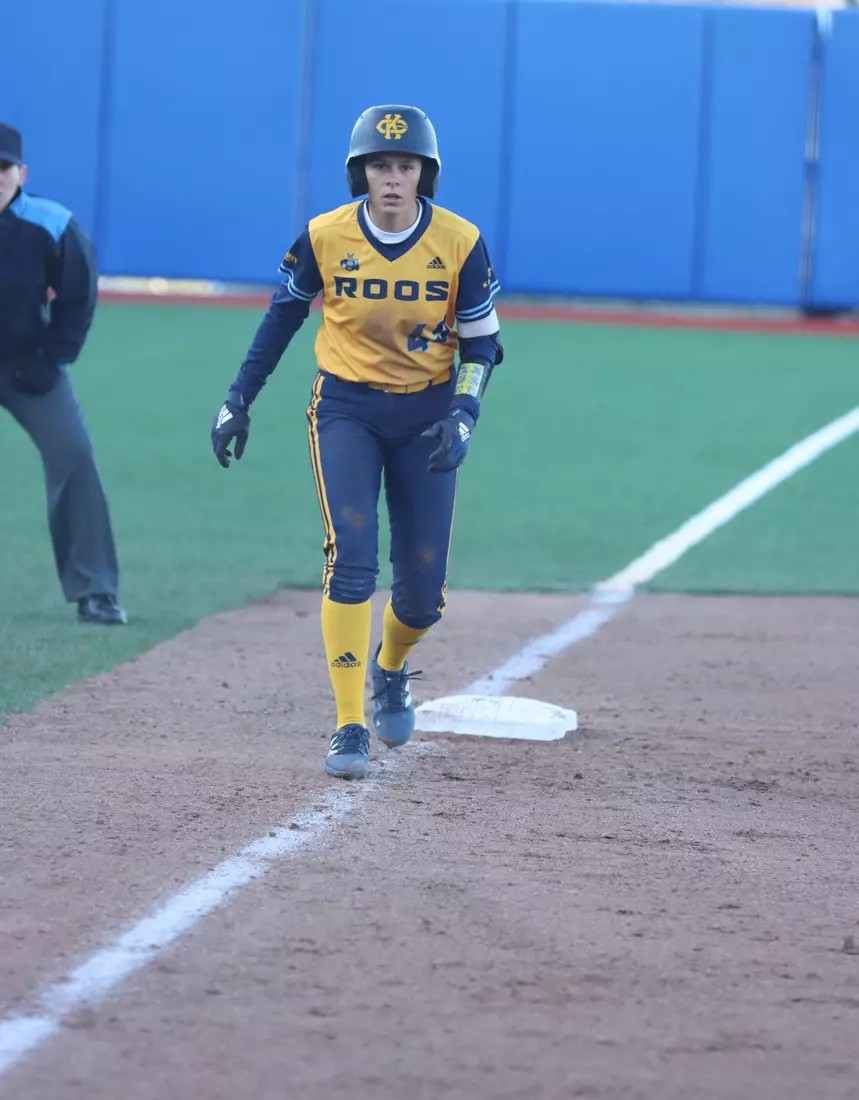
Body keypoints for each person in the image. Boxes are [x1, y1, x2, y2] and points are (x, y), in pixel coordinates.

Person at [211, 104, 502, 778]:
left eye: (404, 165)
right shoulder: (324, 236)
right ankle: (347, 724)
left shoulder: (459, 242)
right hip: (346, 408)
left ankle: (390, 666)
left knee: (423, 594)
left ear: (423, 173)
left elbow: (483, 343)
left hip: (427, 414)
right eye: (379, 165)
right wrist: (236, 399)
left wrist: (463, 413)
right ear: (359, 173)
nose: (392, 178)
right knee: (351, 557)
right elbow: (281, 319)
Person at [0, 122, 126, 625]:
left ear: (21, 173)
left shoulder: (51, 224)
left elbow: (79, 294)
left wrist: (52, 358)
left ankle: (95, 590)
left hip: (27, 366)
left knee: (73, 456)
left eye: (3, 168)